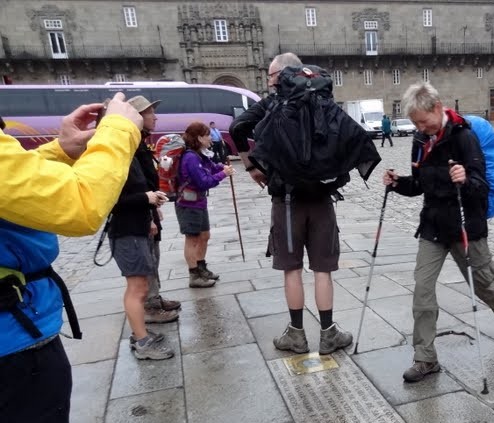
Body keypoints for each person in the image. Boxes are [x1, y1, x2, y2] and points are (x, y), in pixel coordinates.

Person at [1, 93, 142, 423]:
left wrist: (59, 150)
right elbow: (78, 206)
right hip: (12, 349)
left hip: (17, 333)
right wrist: (120, 130)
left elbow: (17, 189)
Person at [383, 82, 494, 383]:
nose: (420, 128)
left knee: (484, 284)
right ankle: (425, 358)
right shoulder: (421, 140)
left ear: (437, 107)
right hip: (433, 226)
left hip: (465, 226)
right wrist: (397, 183)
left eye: (423, 121)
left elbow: (481, 188)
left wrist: (464, 178)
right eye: (415, 123)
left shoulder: (465, 137)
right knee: (422, 289)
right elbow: (419, 184)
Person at [231, 52, 354, 356]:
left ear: (283, 75)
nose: (269, 82)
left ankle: (296, 335)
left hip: (285, 201)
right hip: (323, 199)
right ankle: (328, 334)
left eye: (271, 76)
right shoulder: (323, 100)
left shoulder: (272, 104)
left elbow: (237, 129)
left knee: (292, 269)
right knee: (323, 269)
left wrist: (252, 167)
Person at [108, 95, 177, 360]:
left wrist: (149, 207)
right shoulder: (121, 154)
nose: (154, 117)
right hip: (127, 229)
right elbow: (112, 198)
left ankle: (140, 334)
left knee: (141, 284)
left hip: (136, 225)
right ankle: (142, 341)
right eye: (148, 113)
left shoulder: (134, 149)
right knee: (137, 288)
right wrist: (146, 199)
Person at [175, 121, 233, 288]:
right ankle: (194, 275)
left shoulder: (199, 154)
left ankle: (201, 268)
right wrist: (223, 174)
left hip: (198, 202)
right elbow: (203, 182)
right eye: (207, 135)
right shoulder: (190, 157)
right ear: (199, 137)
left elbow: (211, 167)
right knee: (192, 239)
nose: (210, 138)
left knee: (204, 236)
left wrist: (221, 167)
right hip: (188, 203)